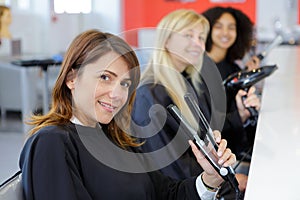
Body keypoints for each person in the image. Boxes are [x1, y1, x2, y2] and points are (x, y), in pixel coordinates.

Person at [19, 29, 236, 200]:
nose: (116, 94)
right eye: (105, 77)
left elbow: (166, 194)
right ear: (71, 79)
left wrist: (211, 177)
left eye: (125, 83)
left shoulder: (118, 139)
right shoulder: (52, 142)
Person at [131, 9, 250, 196]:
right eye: (188, 35)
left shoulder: (188, 84)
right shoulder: (150, 95)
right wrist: (228, 182)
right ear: (166, 41)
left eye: (201, 37)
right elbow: (172, 169)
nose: (198, 44)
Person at [202, 7, 261, 161]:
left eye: (231, 27)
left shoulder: (233, 68)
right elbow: (207, 123)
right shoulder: (198, 70)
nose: (225, 33)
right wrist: (240, 116)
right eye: (219, 26)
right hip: (216, 155)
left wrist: (248, 76)